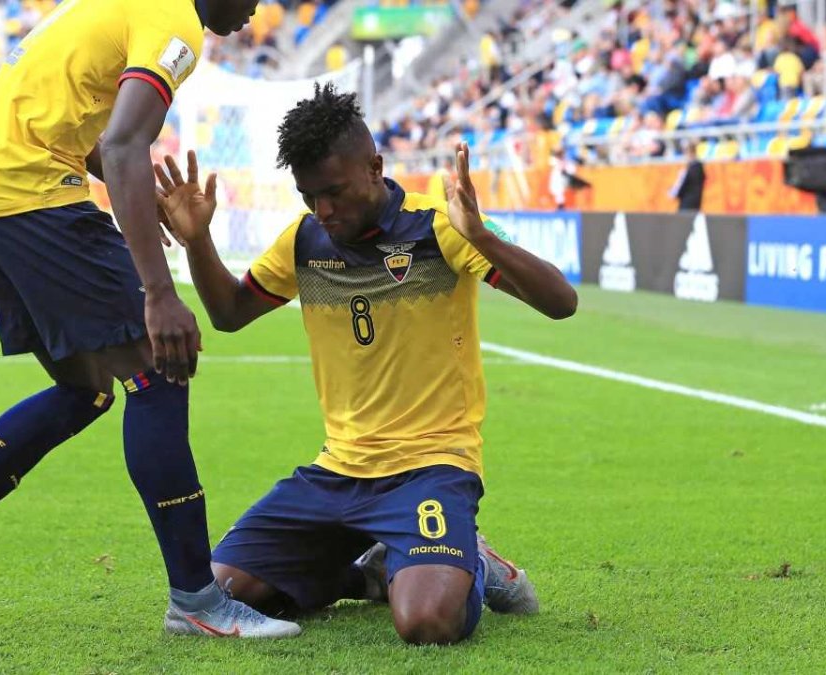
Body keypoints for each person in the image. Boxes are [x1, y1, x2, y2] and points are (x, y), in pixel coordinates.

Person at [0, 0, 300, 639]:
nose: (255, 9)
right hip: (30, 193)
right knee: (162, 366)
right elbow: (127, 142)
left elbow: (95, 136)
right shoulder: (177, 23)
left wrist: (152, 204)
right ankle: (197, 602)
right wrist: (158, 293)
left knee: (86, 390)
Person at [155, 84, 578, 645]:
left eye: (334, 192)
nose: (323, 210)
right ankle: (371, 571)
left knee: (426, 623)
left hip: (431, 465)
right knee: (221, 589)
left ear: (375, 167)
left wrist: (480, 235)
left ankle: (474, 562)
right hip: (337, 472)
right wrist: (197, 241)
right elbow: (229, 313)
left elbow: (561, 302)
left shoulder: (438, 227)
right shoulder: (305, 240)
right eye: (309, 196)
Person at [672, 140, 706, 212]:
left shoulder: (694, 167)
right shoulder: (697, 167)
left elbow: (684, 185)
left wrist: (676, 193)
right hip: (694, 202)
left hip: (689, 203)